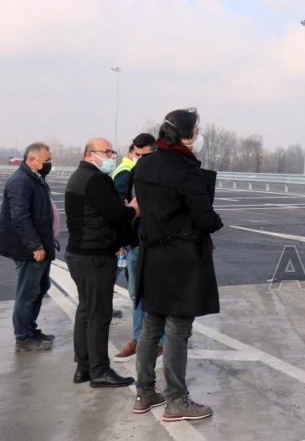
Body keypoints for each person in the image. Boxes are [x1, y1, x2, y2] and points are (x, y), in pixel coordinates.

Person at [133, 108, 223, 421]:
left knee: (151, 326)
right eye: (197, 130)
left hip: (152, 254)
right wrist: (215, 221)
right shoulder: (186, 170)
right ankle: (176, 400)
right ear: (187, 134)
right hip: (181, 258)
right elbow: (204, 217)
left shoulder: (144, 165)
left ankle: (144, 392)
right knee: (177, 329)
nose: (198, 135)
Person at [65, 137, 138, 388]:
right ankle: (99, 371)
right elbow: (115, 214)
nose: (111, 156)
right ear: (90, 154)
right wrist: (133, 209)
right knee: (98, 314)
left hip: (80, 253)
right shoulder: (95, 179)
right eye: (106, 152)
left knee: (86, 310)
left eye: (111, 151)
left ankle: (83, 367)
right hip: (94, 255)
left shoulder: (78, 176)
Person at [111, 133, 165, 362]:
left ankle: (160, 343)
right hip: (134, 244)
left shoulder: (164, 175)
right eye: (137, 154)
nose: (141, 159)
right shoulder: (131, 173)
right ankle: (137, 339)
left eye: (146, 155)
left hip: (157, 245)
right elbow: (122, 210)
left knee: (158, 295)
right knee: (136, 294)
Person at [0, 143, 58, 352]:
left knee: (39, 289)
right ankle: (23, 337)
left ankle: (30, 329)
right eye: (47, 160)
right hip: (29, 250)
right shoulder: (21, 181)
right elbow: (20, 217)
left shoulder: (36, 178)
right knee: (28, 292)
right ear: (32, 160)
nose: (49, 164)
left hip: (41, 246)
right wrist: (35, 245)